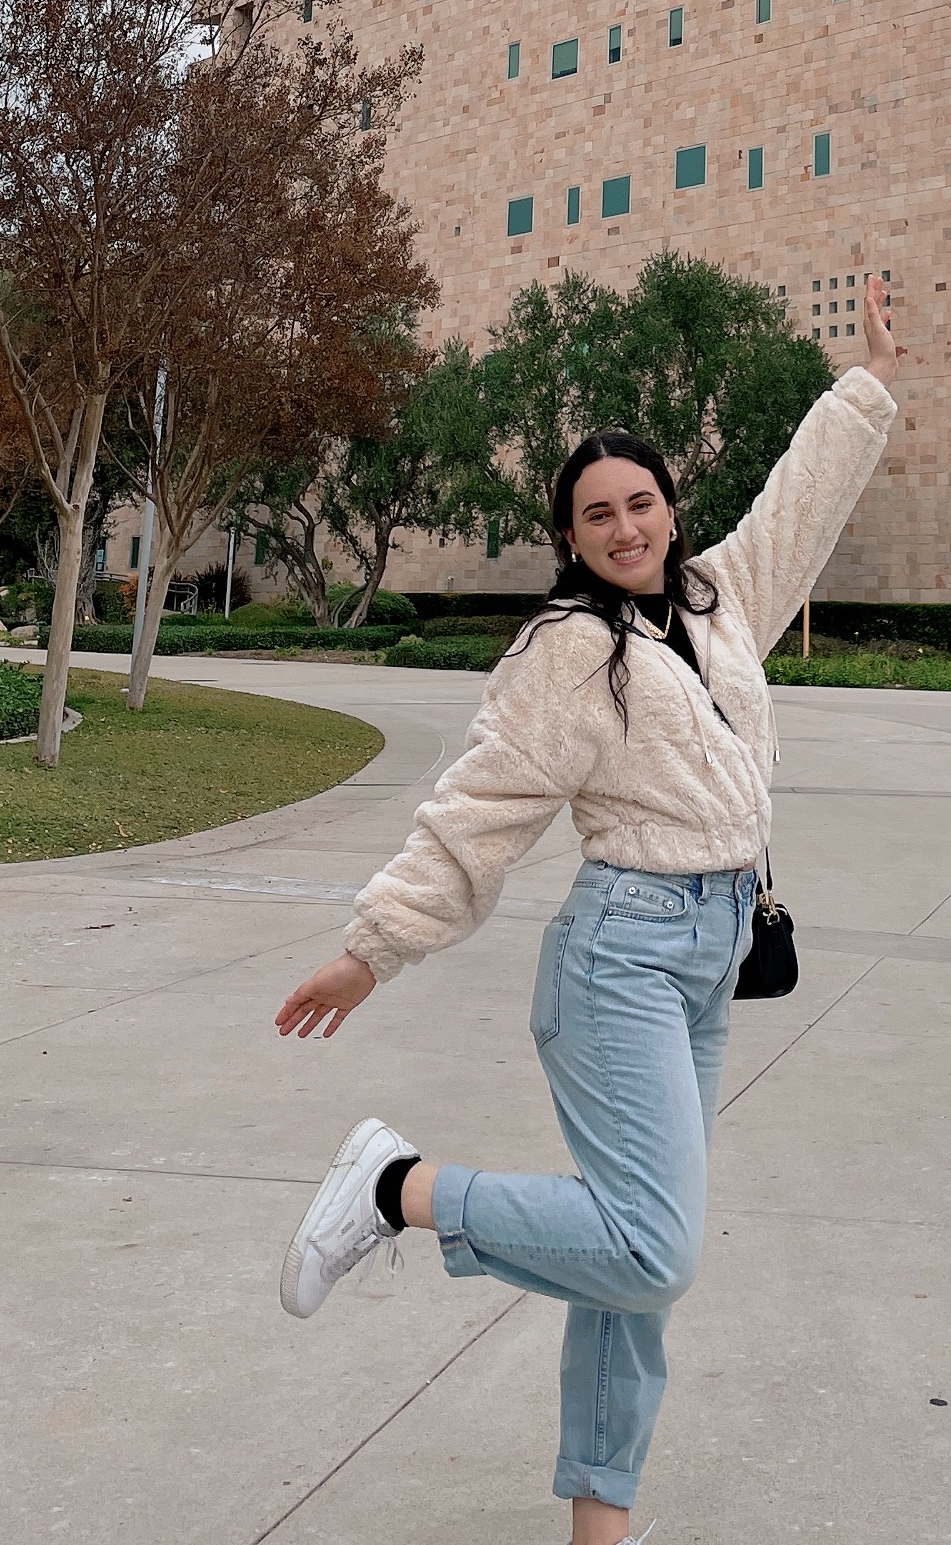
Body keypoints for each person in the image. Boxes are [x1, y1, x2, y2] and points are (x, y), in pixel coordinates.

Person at [274, 283, 901, 1544]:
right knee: (654, 1246)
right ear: (570, 534)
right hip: (622, 953)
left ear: (671, 510)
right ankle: (395, 1185)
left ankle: (599, 1533)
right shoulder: (568, 648)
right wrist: (371, 952)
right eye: (597, 514)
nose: (625, 528)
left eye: (642, 503)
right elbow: (482, 811)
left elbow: (804, 500)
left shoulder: (721, 603)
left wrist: (866, 385)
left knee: (627, 1279)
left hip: (711, 956)